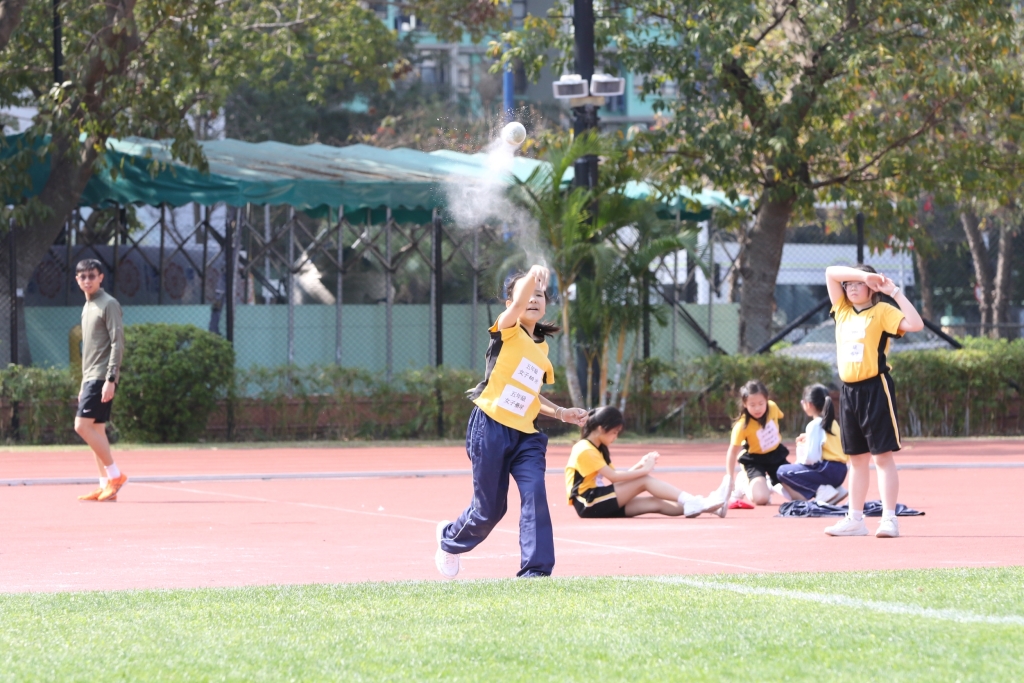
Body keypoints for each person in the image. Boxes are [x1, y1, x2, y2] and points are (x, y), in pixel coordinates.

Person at [435, 266, 588, 578]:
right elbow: (519, 305)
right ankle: (450, 540)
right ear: (510, 304)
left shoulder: (542, 347)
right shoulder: (506, 328)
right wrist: (532, 275)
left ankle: (535, 572)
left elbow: (530, 394)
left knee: (535, 494)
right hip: (490, 427)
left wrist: (561, 413)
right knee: (489, 510)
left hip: (526, 436)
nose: (533, 299)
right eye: (527, 294)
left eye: (540, 295)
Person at [822, 264, 924, 538]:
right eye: (849, 284)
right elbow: (830, 272)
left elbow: (916, 324)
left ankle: (889, 519)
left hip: (875, 388)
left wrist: (895, 292)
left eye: (859, 284)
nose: (852, 287)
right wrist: (861, 276)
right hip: (848, 392)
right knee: (856, 459)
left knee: (881, 457)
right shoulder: (842, 310)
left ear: (872, 288)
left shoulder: (882, 311)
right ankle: (855, 519)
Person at [565, 406, 724, 518]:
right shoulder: (585, 448)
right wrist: (644, 471)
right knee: (644, 480)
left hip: (599, 501)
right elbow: (613, 477)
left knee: (655, 503)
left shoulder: (598, 448)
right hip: (589, 502)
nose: (615, 437)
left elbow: (619, 480)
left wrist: (640, 464)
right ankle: (691, 500)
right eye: (614, 432)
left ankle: (704, 506)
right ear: (601, 428)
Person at [73, 259, 127, 502]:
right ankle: (105, 485)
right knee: (96, 430)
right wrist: (83, 383)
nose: (87, 280)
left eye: (91, 276)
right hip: (90, 377)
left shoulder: (109, 304)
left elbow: (117, 343)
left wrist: (111, 379)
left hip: (102, 376)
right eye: (83, 277)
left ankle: (115, 475)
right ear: (77, 280)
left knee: (81, 426)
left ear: (101, 277)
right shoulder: (87, 306)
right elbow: (90, 350)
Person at [775, 384, 848, 504]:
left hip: (827, 469)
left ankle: (822, 490)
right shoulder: (832, 423)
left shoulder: (814, 425)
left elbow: (812, 458)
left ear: (809, 404)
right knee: (794, 471)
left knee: (782, 471)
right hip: (840, 471)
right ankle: (835, 489)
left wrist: (798, 464)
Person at [719, 380, 788, 506]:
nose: (757, 408)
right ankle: (743, 483)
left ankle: (768, 484)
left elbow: (779, 416)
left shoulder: (772, 407)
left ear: (767, 400)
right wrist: (729, 477)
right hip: (755, 460)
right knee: (761, 499)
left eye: (761, 403)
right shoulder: (741, 426)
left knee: (800, 495)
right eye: (752, 404)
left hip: (776, 455)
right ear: (745, 404)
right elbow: (732, 452)